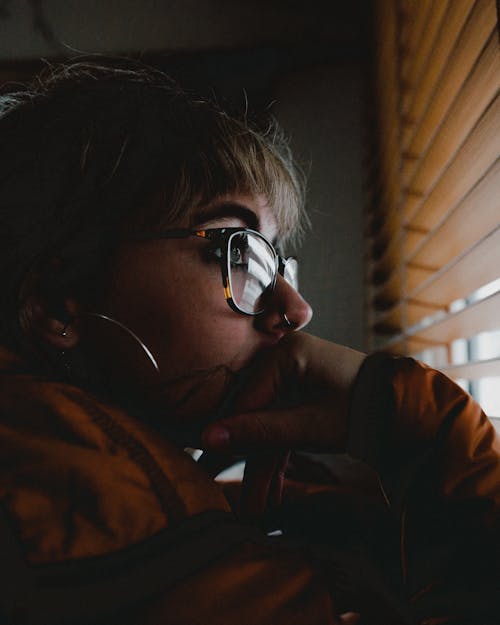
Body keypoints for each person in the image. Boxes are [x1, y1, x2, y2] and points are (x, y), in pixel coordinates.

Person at [0, 59, 498, 625]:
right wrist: (423, 430)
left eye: (275, 261)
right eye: (236, 253)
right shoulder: (157, 562)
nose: (296, 310)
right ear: (62, 302)